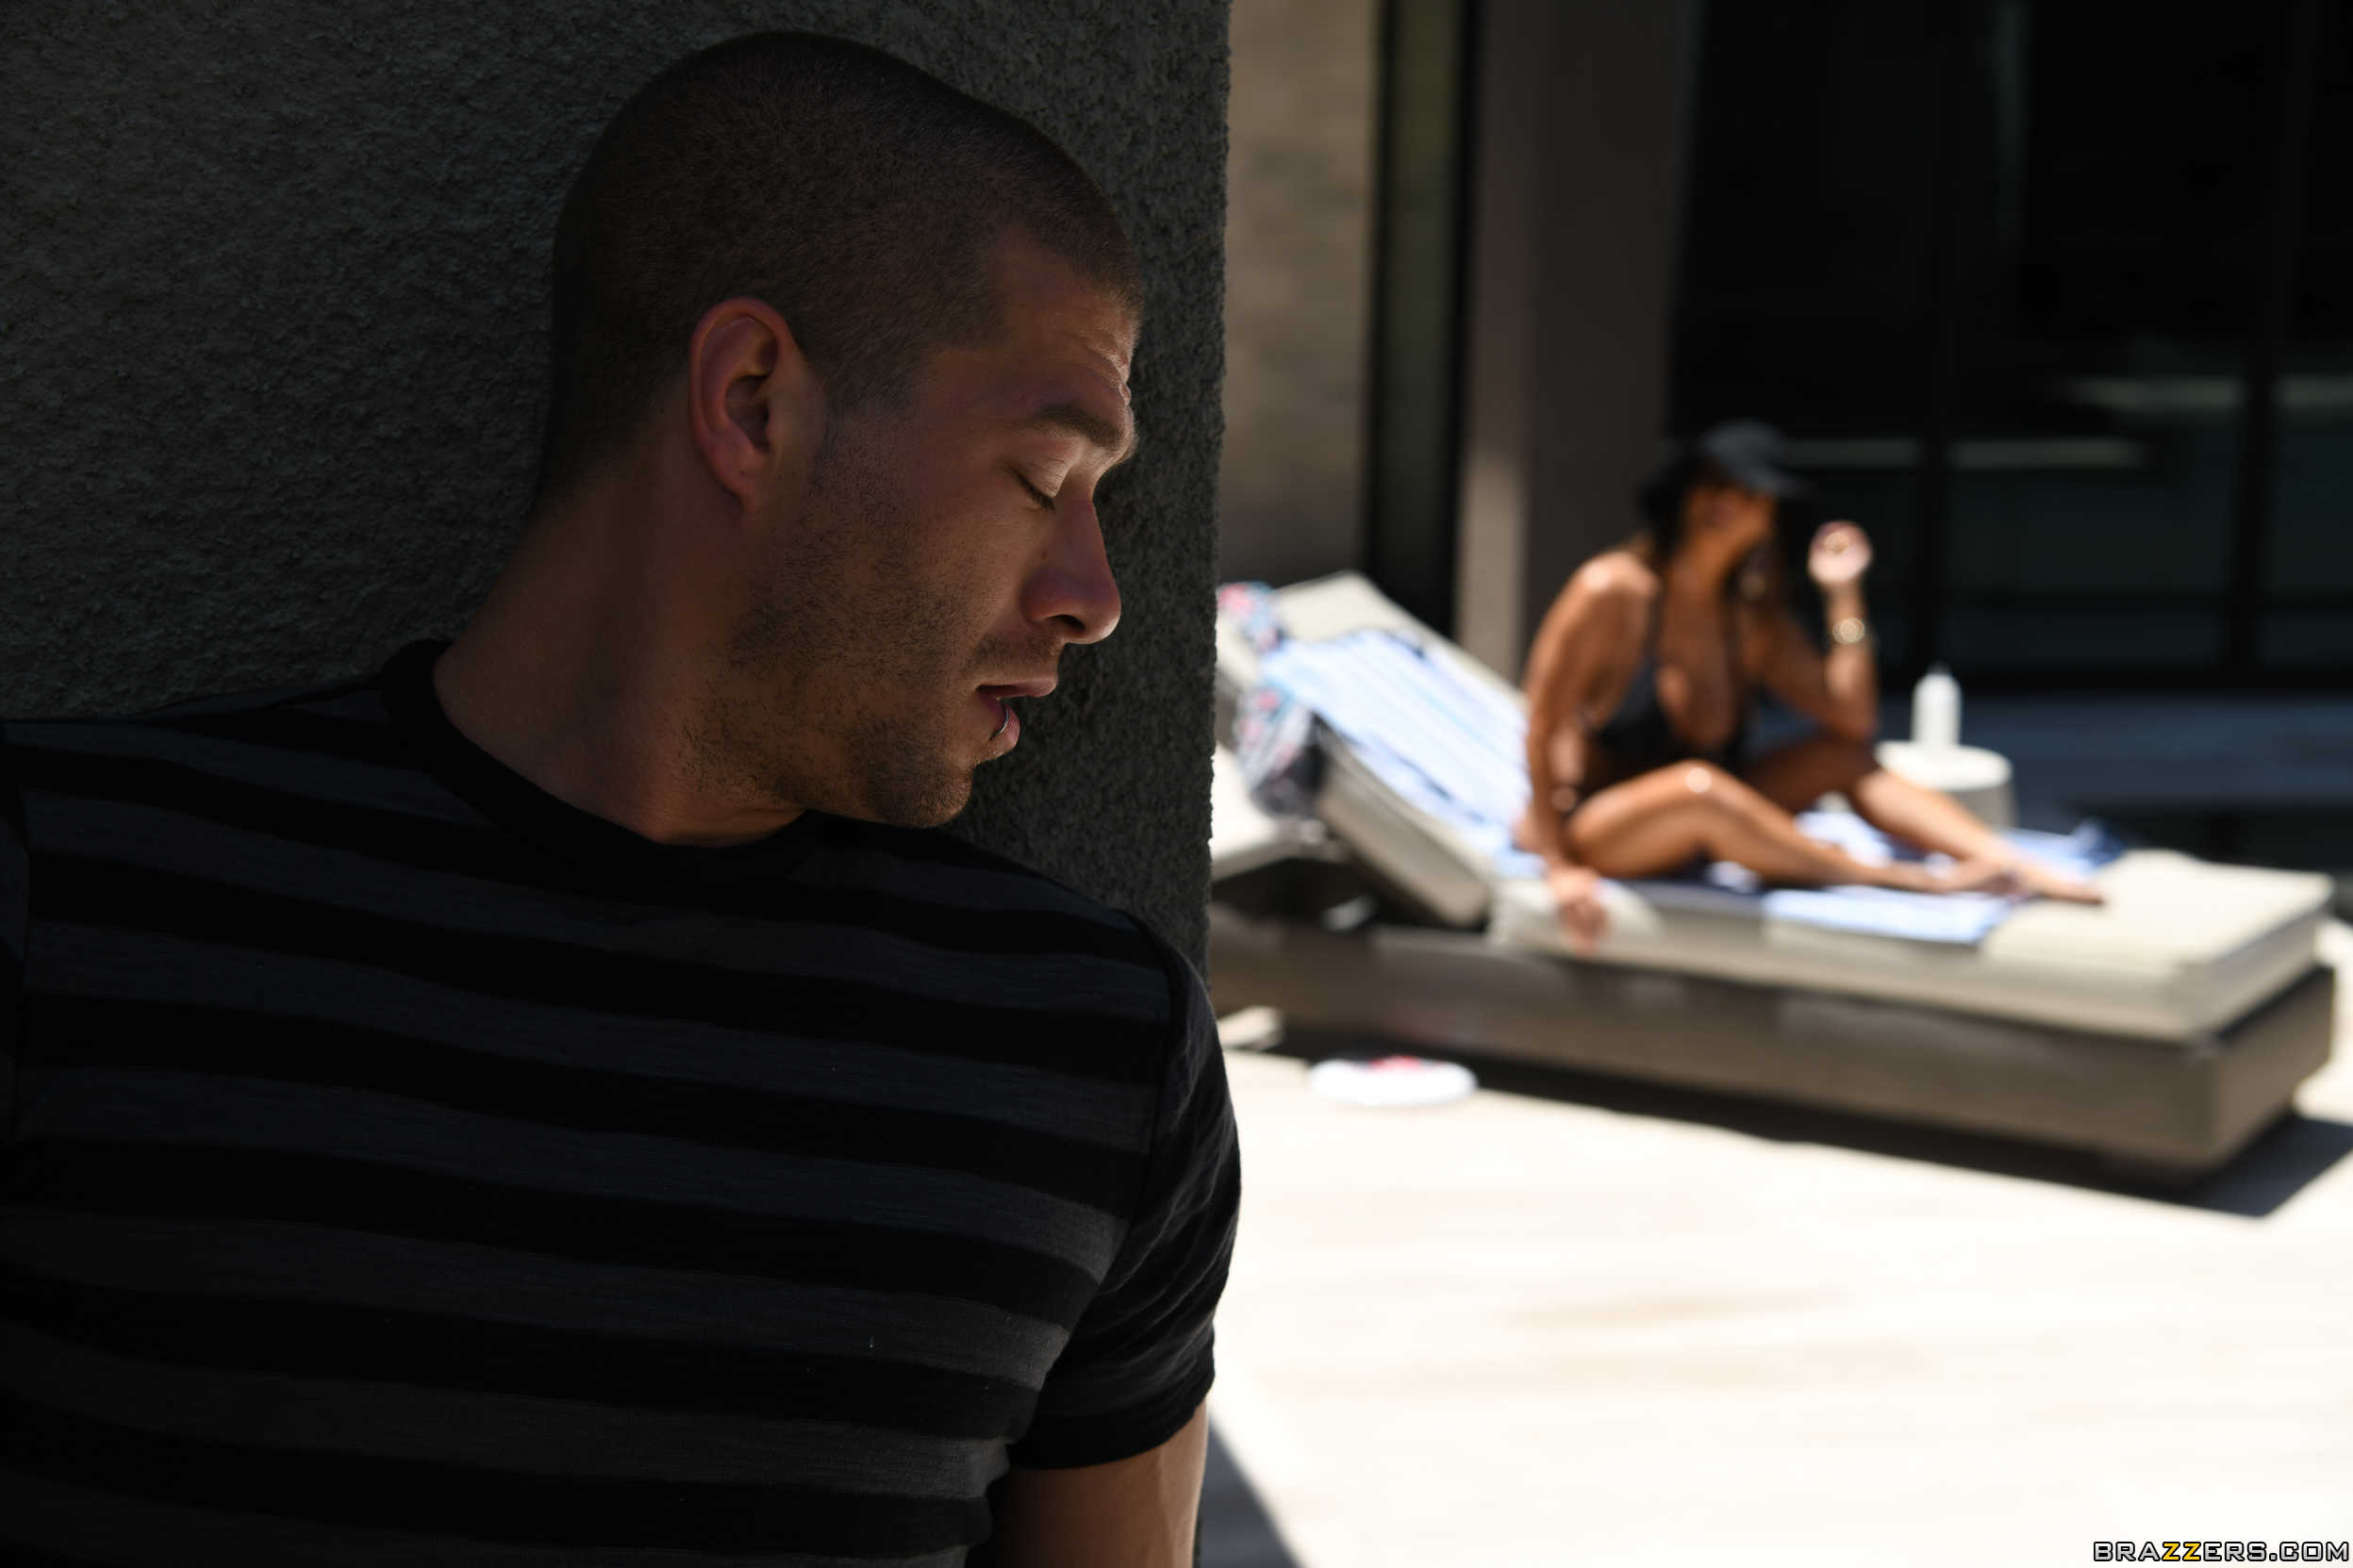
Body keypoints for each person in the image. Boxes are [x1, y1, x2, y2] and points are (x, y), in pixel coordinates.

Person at [0, 33, 1237, 1568]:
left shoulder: (1097, 1055)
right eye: (1044, 476)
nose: (1092, 597)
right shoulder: (68, 900)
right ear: (753, 401)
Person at [1515, 419, 2100, 952]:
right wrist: (1561, 866)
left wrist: (1843, 595)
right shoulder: (1616, 591)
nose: (1726, 502)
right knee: (1699, 788)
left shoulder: (1748, 618)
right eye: (1713, 484)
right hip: (1603, 825)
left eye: (1748, 492)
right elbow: (1540, 724)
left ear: (1770, 515)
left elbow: (1852, 720)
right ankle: (1908, 882)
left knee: (1840, 758)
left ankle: (2012, 863)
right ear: (1684, 493)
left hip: (1712, 805)